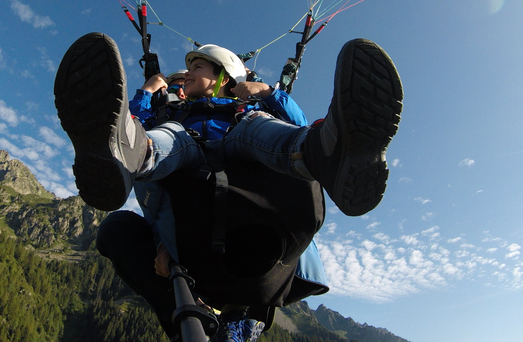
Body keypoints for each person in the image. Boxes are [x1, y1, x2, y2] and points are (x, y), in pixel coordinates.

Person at [54, 32, 402, 339]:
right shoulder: (175, 114)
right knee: (168, 137)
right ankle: (128, 157)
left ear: (222, 78)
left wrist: (268, 93)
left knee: (259, 127)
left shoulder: (246, 108)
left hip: (242, 145)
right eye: (183, 76)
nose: (187, 76)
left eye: (198, 69)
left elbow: (294, 123)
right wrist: (148, 93)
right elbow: (130, 122)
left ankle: (327, 155)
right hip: (187, 154)